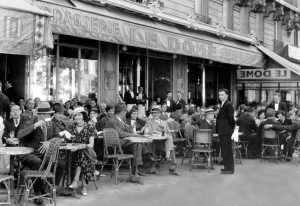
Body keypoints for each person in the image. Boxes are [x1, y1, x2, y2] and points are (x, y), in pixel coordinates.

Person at [17, 102, 65, 205]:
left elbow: (60, 137)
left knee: (60, 164)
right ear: (38, 114)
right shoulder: (29, 122)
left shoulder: (50, 124)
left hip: (43, 155)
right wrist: (35, 126)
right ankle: (37, 192)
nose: (47, 116)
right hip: (29, 153)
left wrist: (49, 142)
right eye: (45, 114)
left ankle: (50, 189)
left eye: (48, 114)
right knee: (37, 162)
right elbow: (19, 135)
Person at [105, 103, 147, 177]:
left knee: (137, 144)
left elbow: (127, 130)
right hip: (115, 146)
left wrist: (132, 130)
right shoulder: (113, 121)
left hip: (122, 143)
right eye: (125, 111)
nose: (126, 113)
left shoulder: (120, 120)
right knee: (137, 143)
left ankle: (136, 171)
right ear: (122, 112)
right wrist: (135, 135)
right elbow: (121, 134)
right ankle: (137, 170)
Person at [68, 107, 97, 196]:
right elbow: (69, 142)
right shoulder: (71, 127)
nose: (77, 117)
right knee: (80, 157)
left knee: (81, 154)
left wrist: (80, 147)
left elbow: (91, 144)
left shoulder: (90, 127)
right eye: (75, 115)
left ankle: (75, 181)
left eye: (79, 115)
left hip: (87, 152)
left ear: (83, 116)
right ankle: (83, 186)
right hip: (73, 153)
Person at [144, 105, 179, 176]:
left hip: (163, 143)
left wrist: (164, 132)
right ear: (152, 114)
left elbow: (169, 132)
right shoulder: (149, 122)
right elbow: (147, 132)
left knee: (170, 145)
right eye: (154, 113)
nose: (155, 114)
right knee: (171, 147)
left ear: (159, 114)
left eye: (157, 113)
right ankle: (170, 164)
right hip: (154, 143)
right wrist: (157, 132)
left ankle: (170, 165)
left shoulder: (164, 122)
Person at [216, 89, 235, 174]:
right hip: (223, 131)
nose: (220, 96)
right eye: (219, 95)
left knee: (227, 150)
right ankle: (227, 167)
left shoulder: (228, 104)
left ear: (227, 95)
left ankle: (230, 169)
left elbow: (231, 118)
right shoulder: (223, 104)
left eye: (222, 95)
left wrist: (231, 128)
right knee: (224, 150)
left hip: (226, 131)